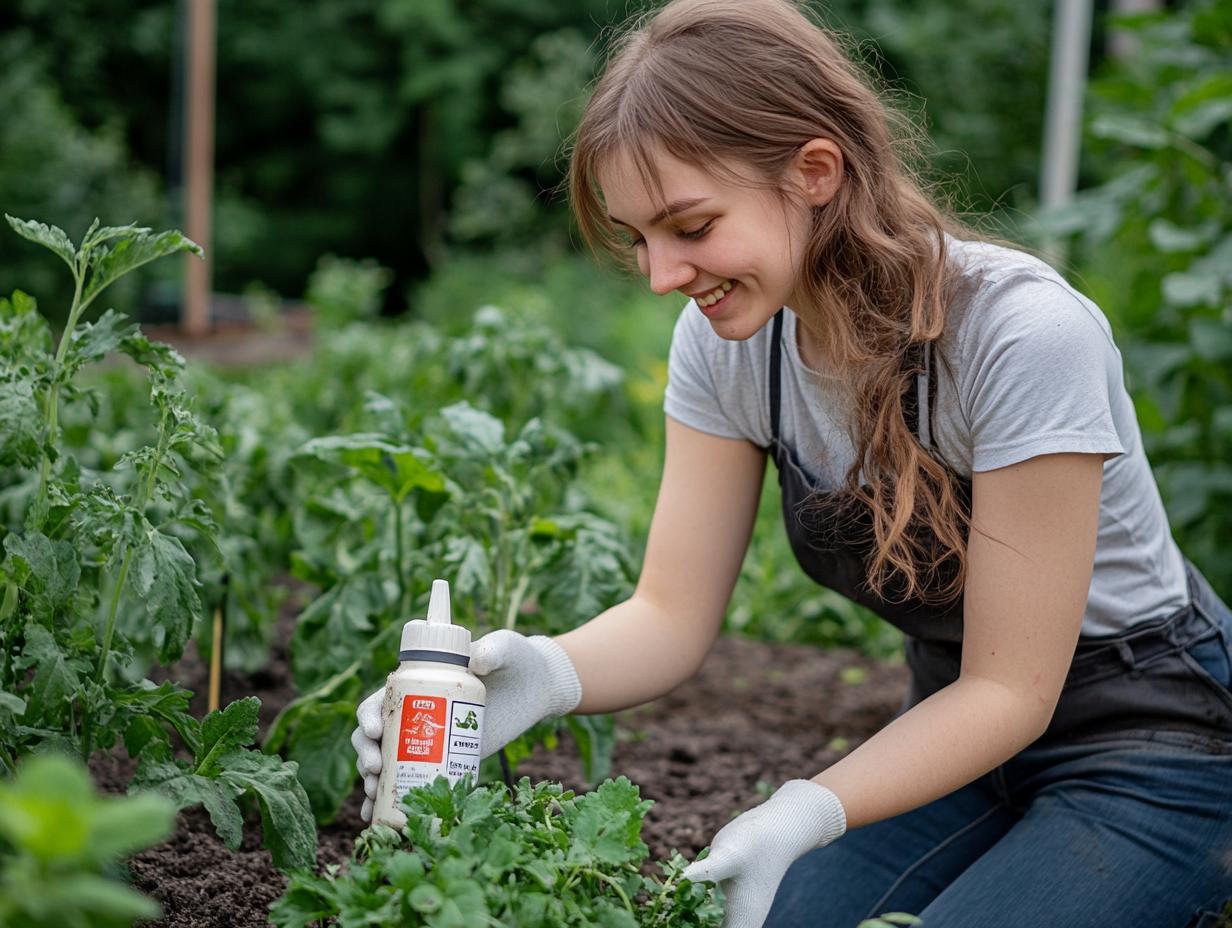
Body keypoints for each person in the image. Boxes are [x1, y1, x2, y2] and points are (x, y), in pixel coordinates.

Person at [352, 0, 1232, 925]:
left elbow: (1011, 688)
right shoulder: (733, 345)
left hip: (1153, 743)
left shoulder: (1020, 335)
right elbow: (669, 615)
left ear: (814, 171)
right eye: (637, 237)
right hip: (957, 736)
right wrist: (542, 673)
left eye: (690, 226)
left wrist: (807, 808)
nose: (660, 276)